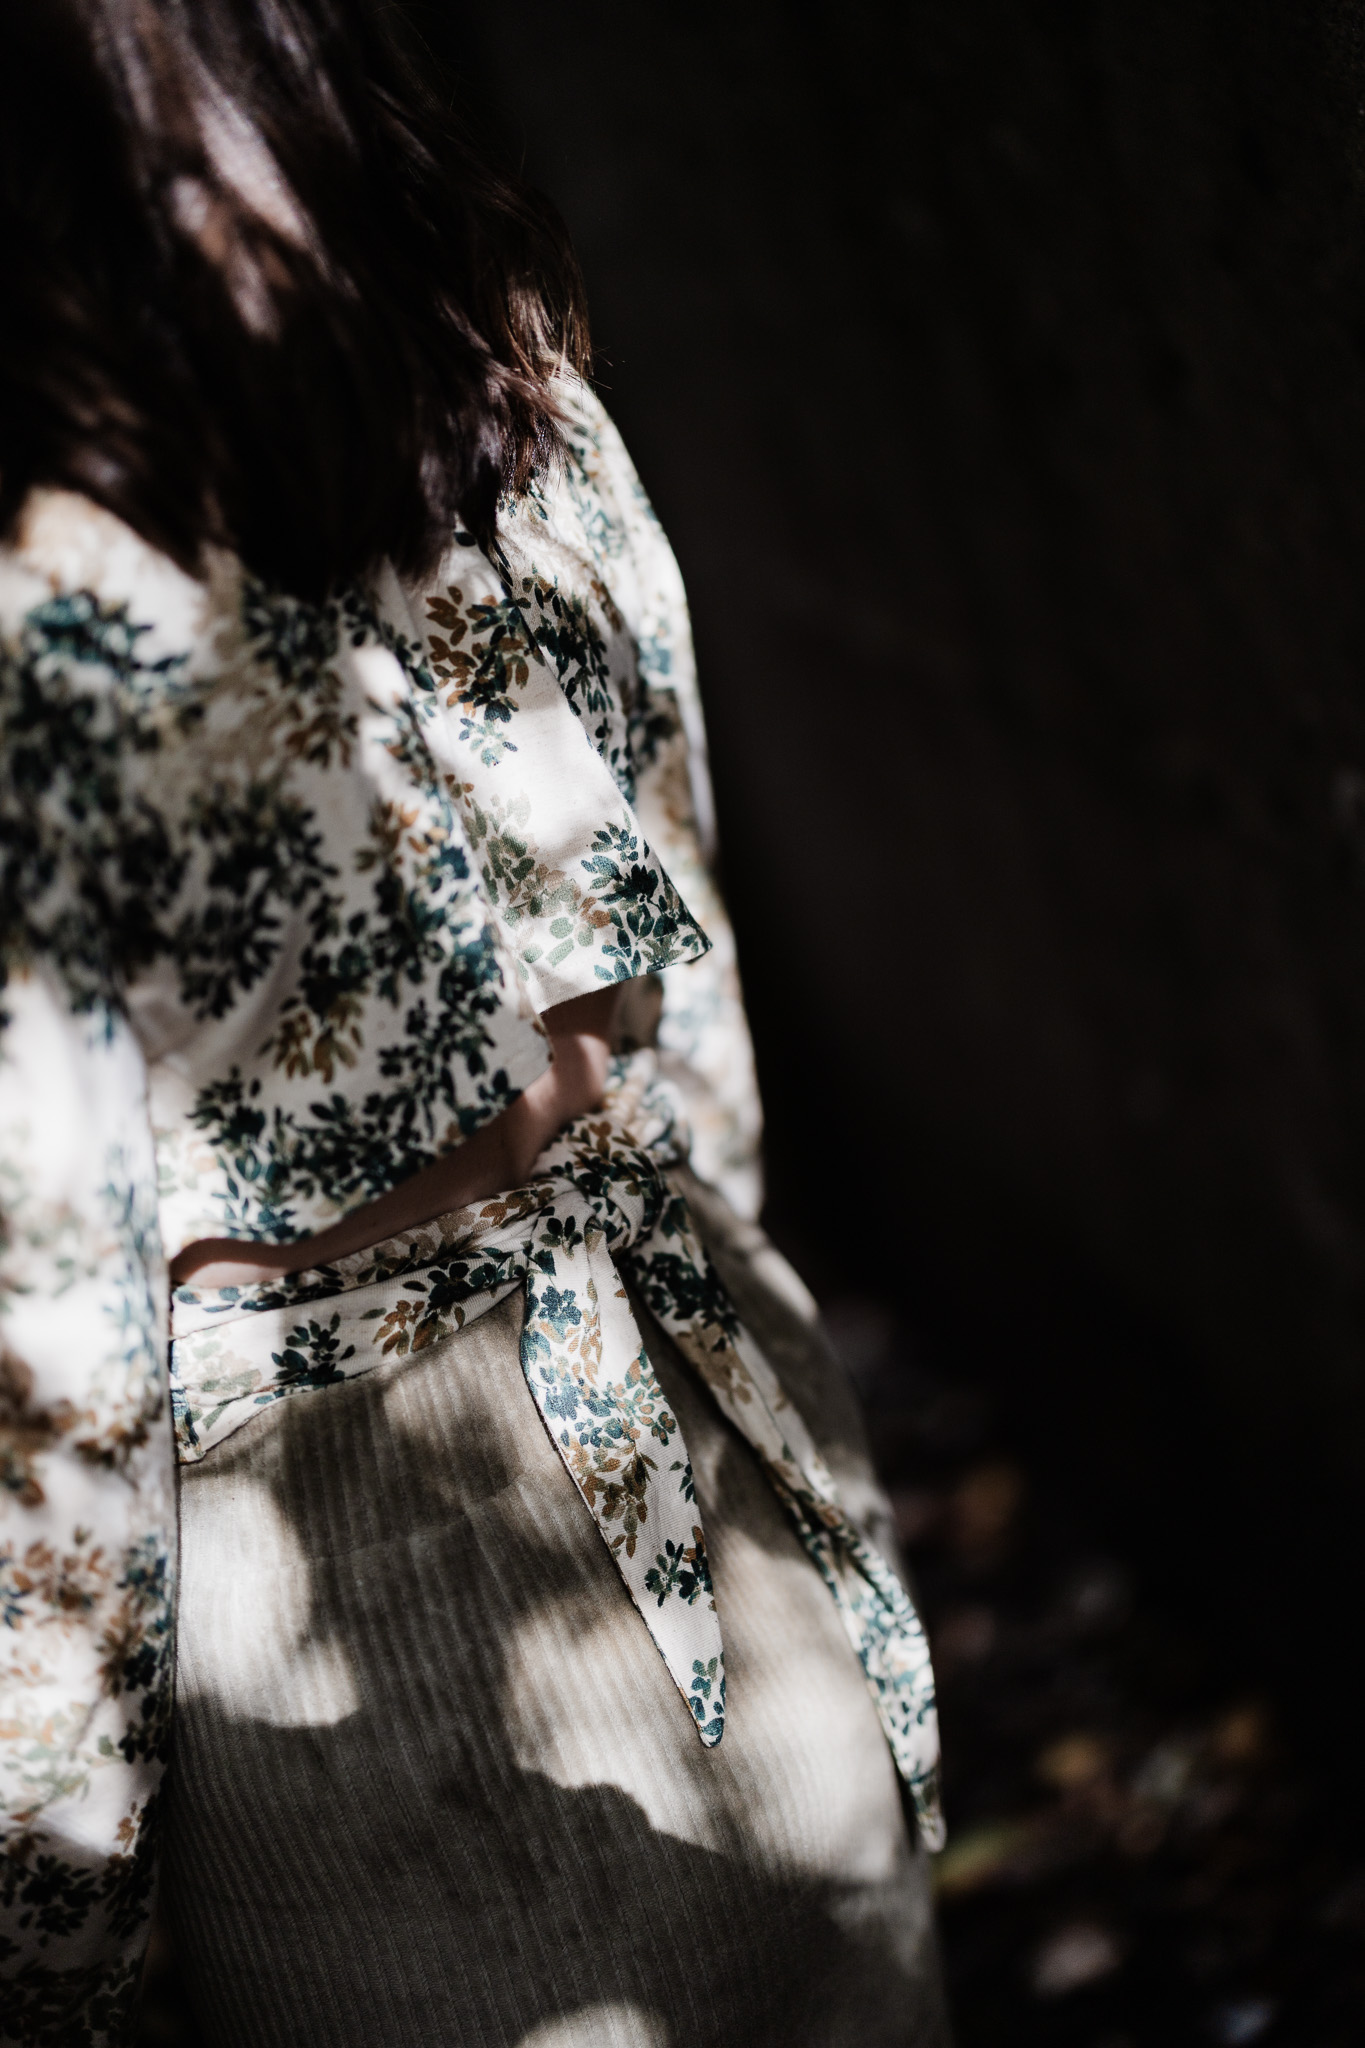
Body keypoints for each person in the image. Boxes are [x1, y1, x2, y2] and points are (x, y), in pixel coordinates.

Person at [0, 3, 951, 2043]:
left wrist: (46, 1933)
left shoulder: (44, 601)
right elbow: (687, 981)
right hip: (715, 1443)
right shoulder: (492, 379)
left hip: (346, 1665)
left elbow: (55, 1365)